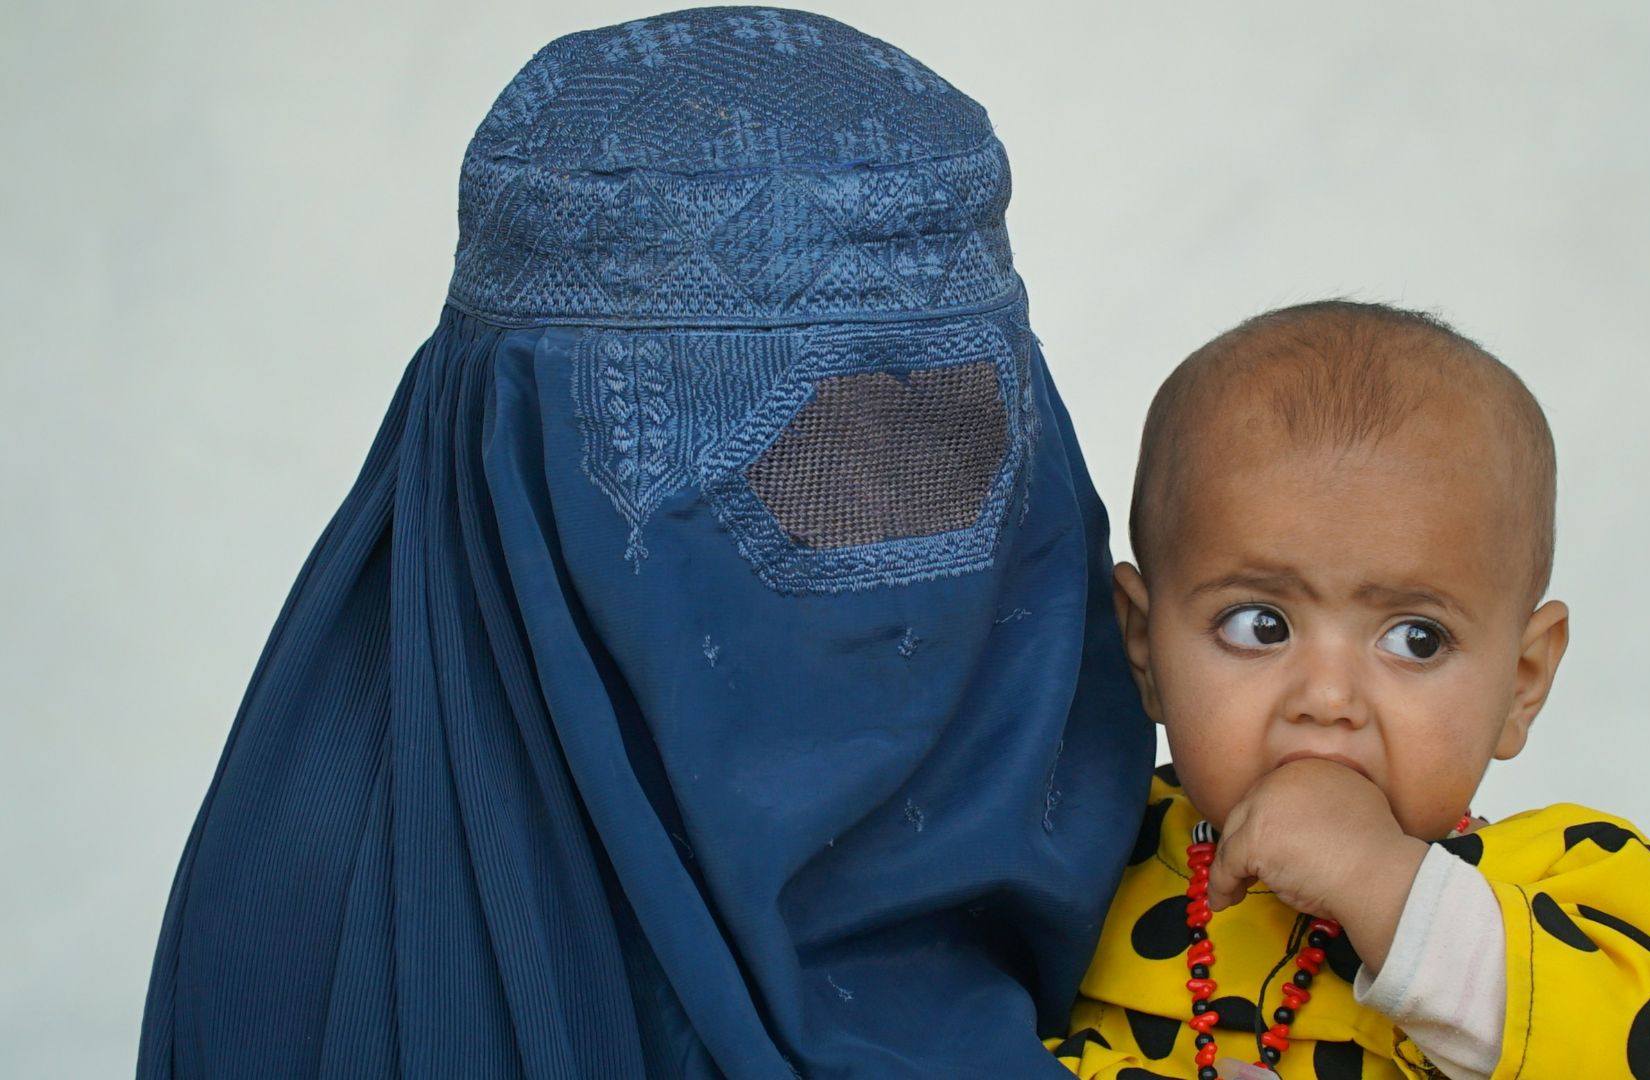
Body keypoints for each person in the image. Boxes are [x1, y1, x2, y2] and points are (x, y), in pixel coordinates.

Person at [136, 9, 1155, 1078]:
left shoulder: (1222, 866)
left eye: (932, 433)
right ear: (526, 451)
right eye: (781, 448)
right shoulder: (327, 943)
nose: (881, 526)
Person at [1050, 302, 1650, 1079]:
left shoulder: (1569, 882)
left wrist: (1384, 882)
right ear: (1143, 649)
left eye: (1417, 639)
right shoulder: (1082, 847)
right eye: (1258, 625)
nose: (1327, 697)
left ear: (1522, 683)